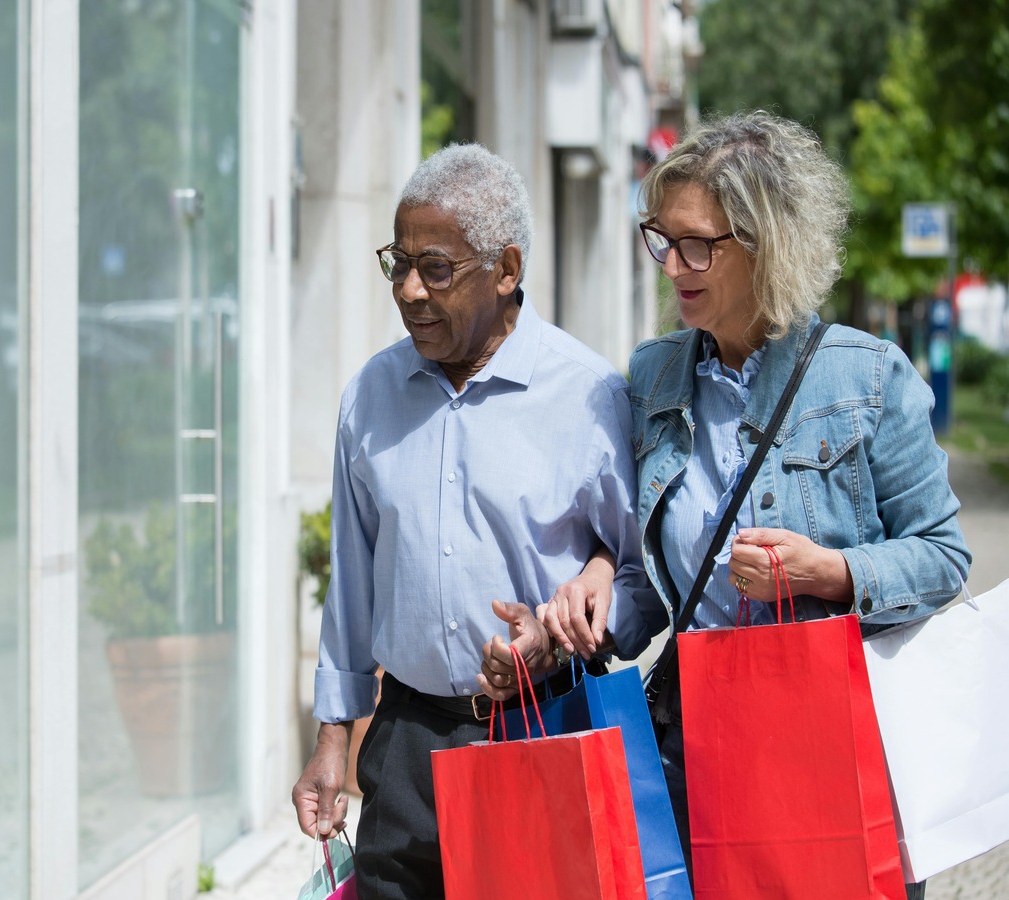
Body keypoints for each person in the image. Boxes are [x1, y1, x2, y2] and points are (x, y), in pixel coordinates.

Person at [532, 110, 972, 898]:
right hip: (691, 742)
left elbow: (942, 556)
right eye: (662, 240)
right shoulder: (655, 376)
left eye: (697, 244)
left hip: (827, 743)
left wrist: (830, 570)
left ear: (765, 242)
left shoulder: (867, 379)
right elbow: (651, 580)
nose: (673, 266)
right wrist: (599, 590)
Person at [290, 142, 659, 900]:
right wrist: (333, 740)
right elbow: (352, 581)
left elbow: (642, 575)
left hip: (544, 732)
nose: (409, 291)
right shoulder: (371, 394)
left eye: (435, 268)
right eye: (398, 262)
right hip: (404, 746)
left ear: (507, 269)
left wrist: (557, 638)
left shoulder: (588, 394)